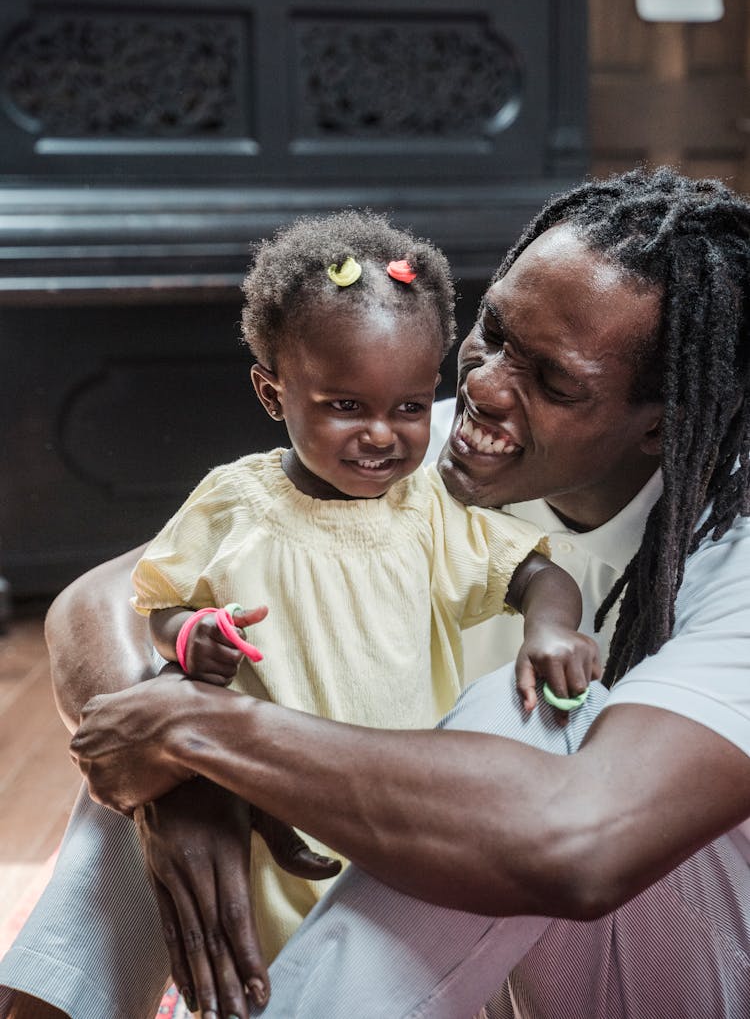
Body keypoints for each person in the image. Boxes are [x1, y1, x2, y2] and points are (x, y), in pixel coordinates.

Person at [2, 166, 749, 1019]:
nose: (485, 387)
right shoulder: (406, 449)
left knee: (536, 725)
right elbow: (101, 602)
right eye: (493, 332)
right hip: (484, 954)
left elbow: (576, 844)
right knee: (170, 698)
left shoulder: (739, 545)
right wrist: (182, 767)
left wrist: (206, 735)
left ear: (663, 423)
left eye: (553, 383)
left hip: (681, 972)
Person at [127, 209, 597, 966]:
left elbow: (538, 574)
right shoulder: (234, 502)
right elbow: (158, 602)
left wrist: (549, 629)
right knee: (281, 963)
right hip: (275, 797)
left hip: (408, 807)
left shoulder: (431, 512)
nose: (383, 433)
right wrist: (189, 634)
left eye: (410, 407)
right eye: (346, 406)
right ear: (273, 393)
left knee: (396, 959)